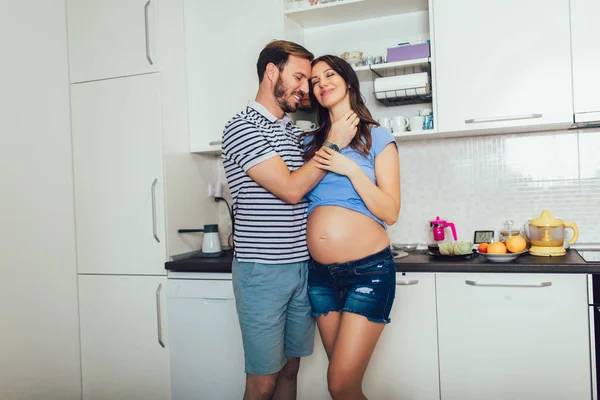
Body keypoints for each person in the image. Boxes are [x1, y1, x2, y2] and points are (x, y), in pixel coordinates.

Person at [221, 41, 358, 400]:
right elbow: (291, 189)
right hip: (262, 271)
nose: (305, 87)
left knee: (290, 370)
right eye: (299, 76)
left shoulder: (291, 132)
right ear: (271, 72)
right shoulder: (241, 127)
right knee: (263, 379)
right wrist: (334, 142)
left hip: (302, 267)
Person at [299, 54, 401, 400]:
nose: (322, 82)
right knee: (344, 387)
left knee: (340, 385)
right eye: (314, 80)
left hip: (368, 273)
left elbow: (390, 211)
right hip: (321, 277)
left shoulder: (376, 137)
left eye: (329, 75)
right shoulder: (309, 145)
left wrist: (350, 168)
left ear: (347, 81)